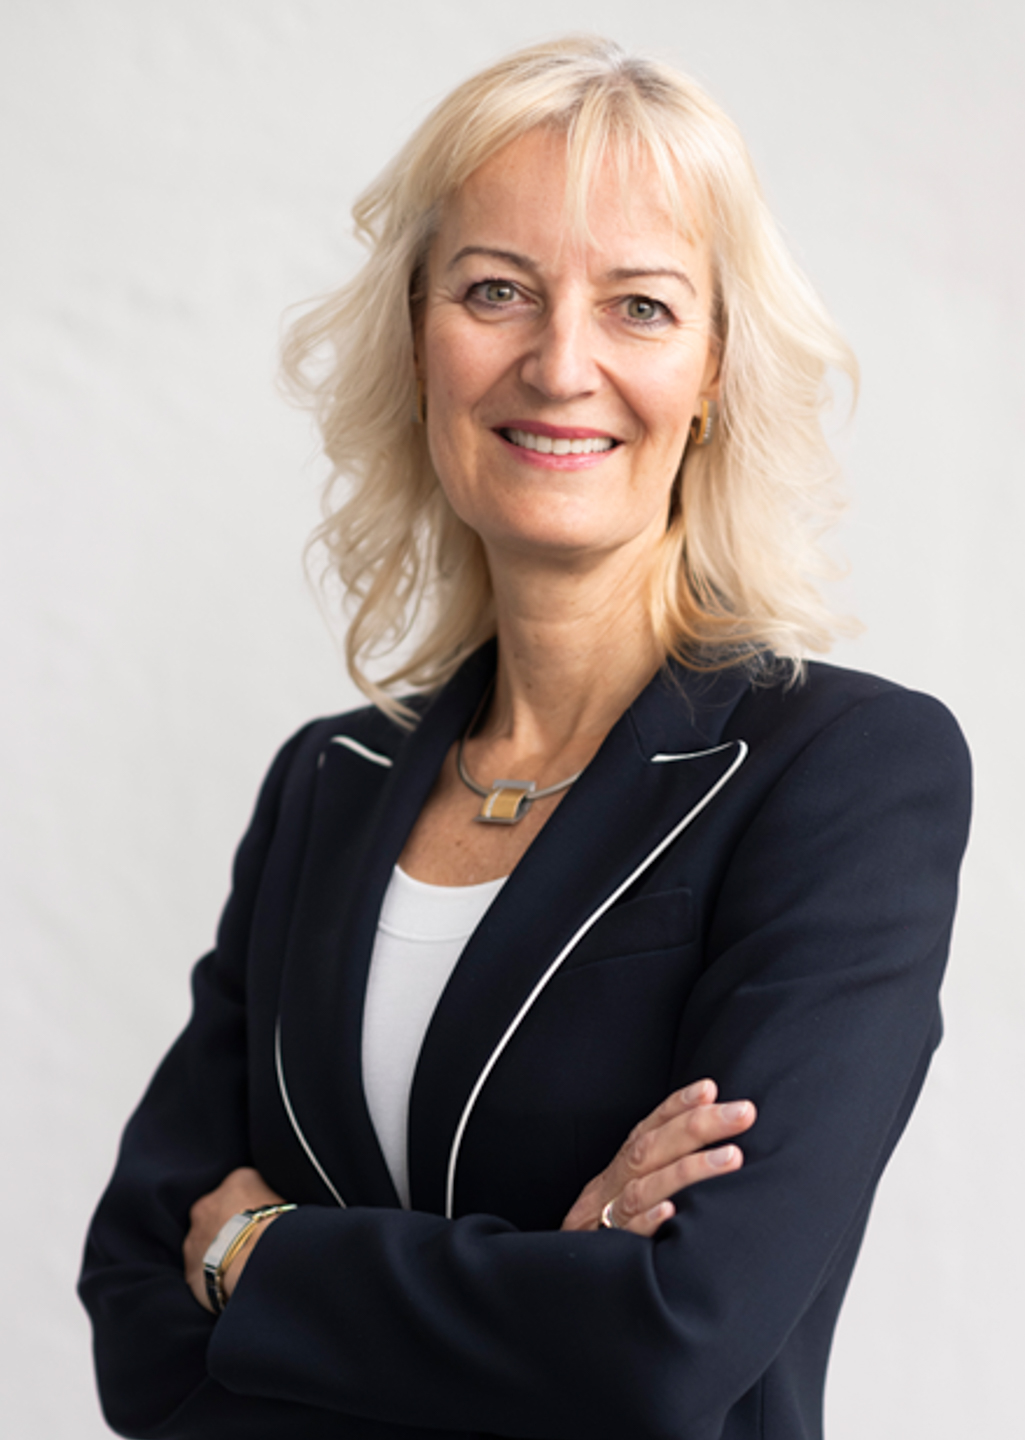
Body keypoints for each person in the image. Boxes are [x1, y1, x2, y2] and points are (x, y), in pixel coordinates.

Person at [79, 35, 971, 1440]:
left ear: (714, 366)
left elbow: (670, 1345)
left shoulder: (843, 774)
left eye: (640, 306)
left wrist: (255, 1257)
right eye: (495, 290)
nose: (560, 365)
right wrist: (551, 1286)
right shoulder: (328, 784)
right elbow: (137, 1319)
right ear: (417, 337)